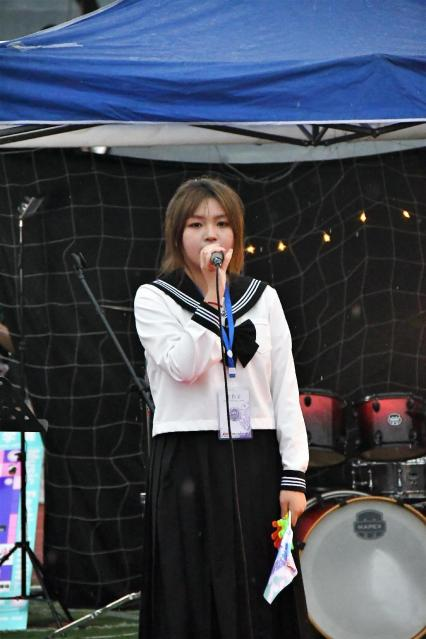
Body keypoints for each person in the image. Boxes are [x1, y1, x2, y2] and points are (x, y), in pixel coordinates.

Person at [134, 176, 309, 639]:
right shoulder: (154, 298)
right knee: (189, 585)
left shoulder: (264, 298)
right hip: (185, 456)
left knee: (256, 582)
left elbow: (284, 387)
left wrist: (294, 473)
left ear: (237, 234)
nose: (211, 235)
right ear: (177, 234)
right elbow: (183, 366)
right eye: (196, 224)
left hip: (254, 454)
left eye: (221, 224)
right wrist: (212, 300)